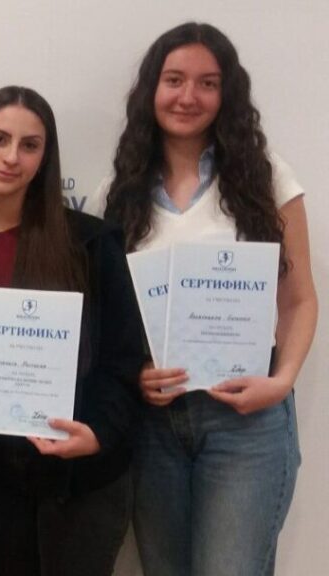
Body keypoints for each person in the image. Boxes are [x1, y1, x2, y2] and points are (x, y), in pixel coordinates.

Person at [95, 22, 318, 576]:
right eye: (174, 80)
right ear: (152, 88)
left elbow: (299, 300)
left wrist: (281, 382)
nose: (188, 96)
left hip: (246, 421)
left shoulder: (267, 178)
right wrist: (136, 373)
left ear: (227, 94)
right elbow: (109, 322)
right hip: (154, 424)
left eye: (207, 83)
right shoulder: (116, 195)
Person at [0, 86, 145, 576]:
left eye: (29, 145)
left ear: (45, 159)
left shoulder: (92, 244)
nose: (12, 157)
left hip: (83, 483)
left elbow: (124, 358)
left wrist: (98, 434)